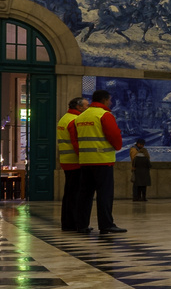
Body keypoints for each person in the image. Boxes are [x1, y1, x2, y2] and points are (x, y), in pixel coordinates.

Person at [72, 89, 126, 234]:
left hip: (85, 161)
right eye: (110, 100)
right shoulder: (104, 115)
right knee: (104, 194)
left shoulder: (81, 117)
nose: (111, 102)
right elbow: (114, 135)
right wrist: (118, 146)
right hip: (102, 160)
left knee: (85, 195)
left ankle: (82, 225)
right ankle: (106, 224)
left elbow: (75, 139)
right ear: (104, 100)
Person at [57, 96, 86, 231]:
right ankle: (75, 224)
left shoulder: (64, 118)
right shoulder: (74, 120)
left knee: (69, 193)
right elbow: (76, 143)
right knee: (76, 194)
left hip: (66, 160)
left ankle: (67, 223)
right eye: (86, 106)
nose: (88, 108)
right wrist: (85, 158)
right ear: (79, 107)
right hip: (75, 162)